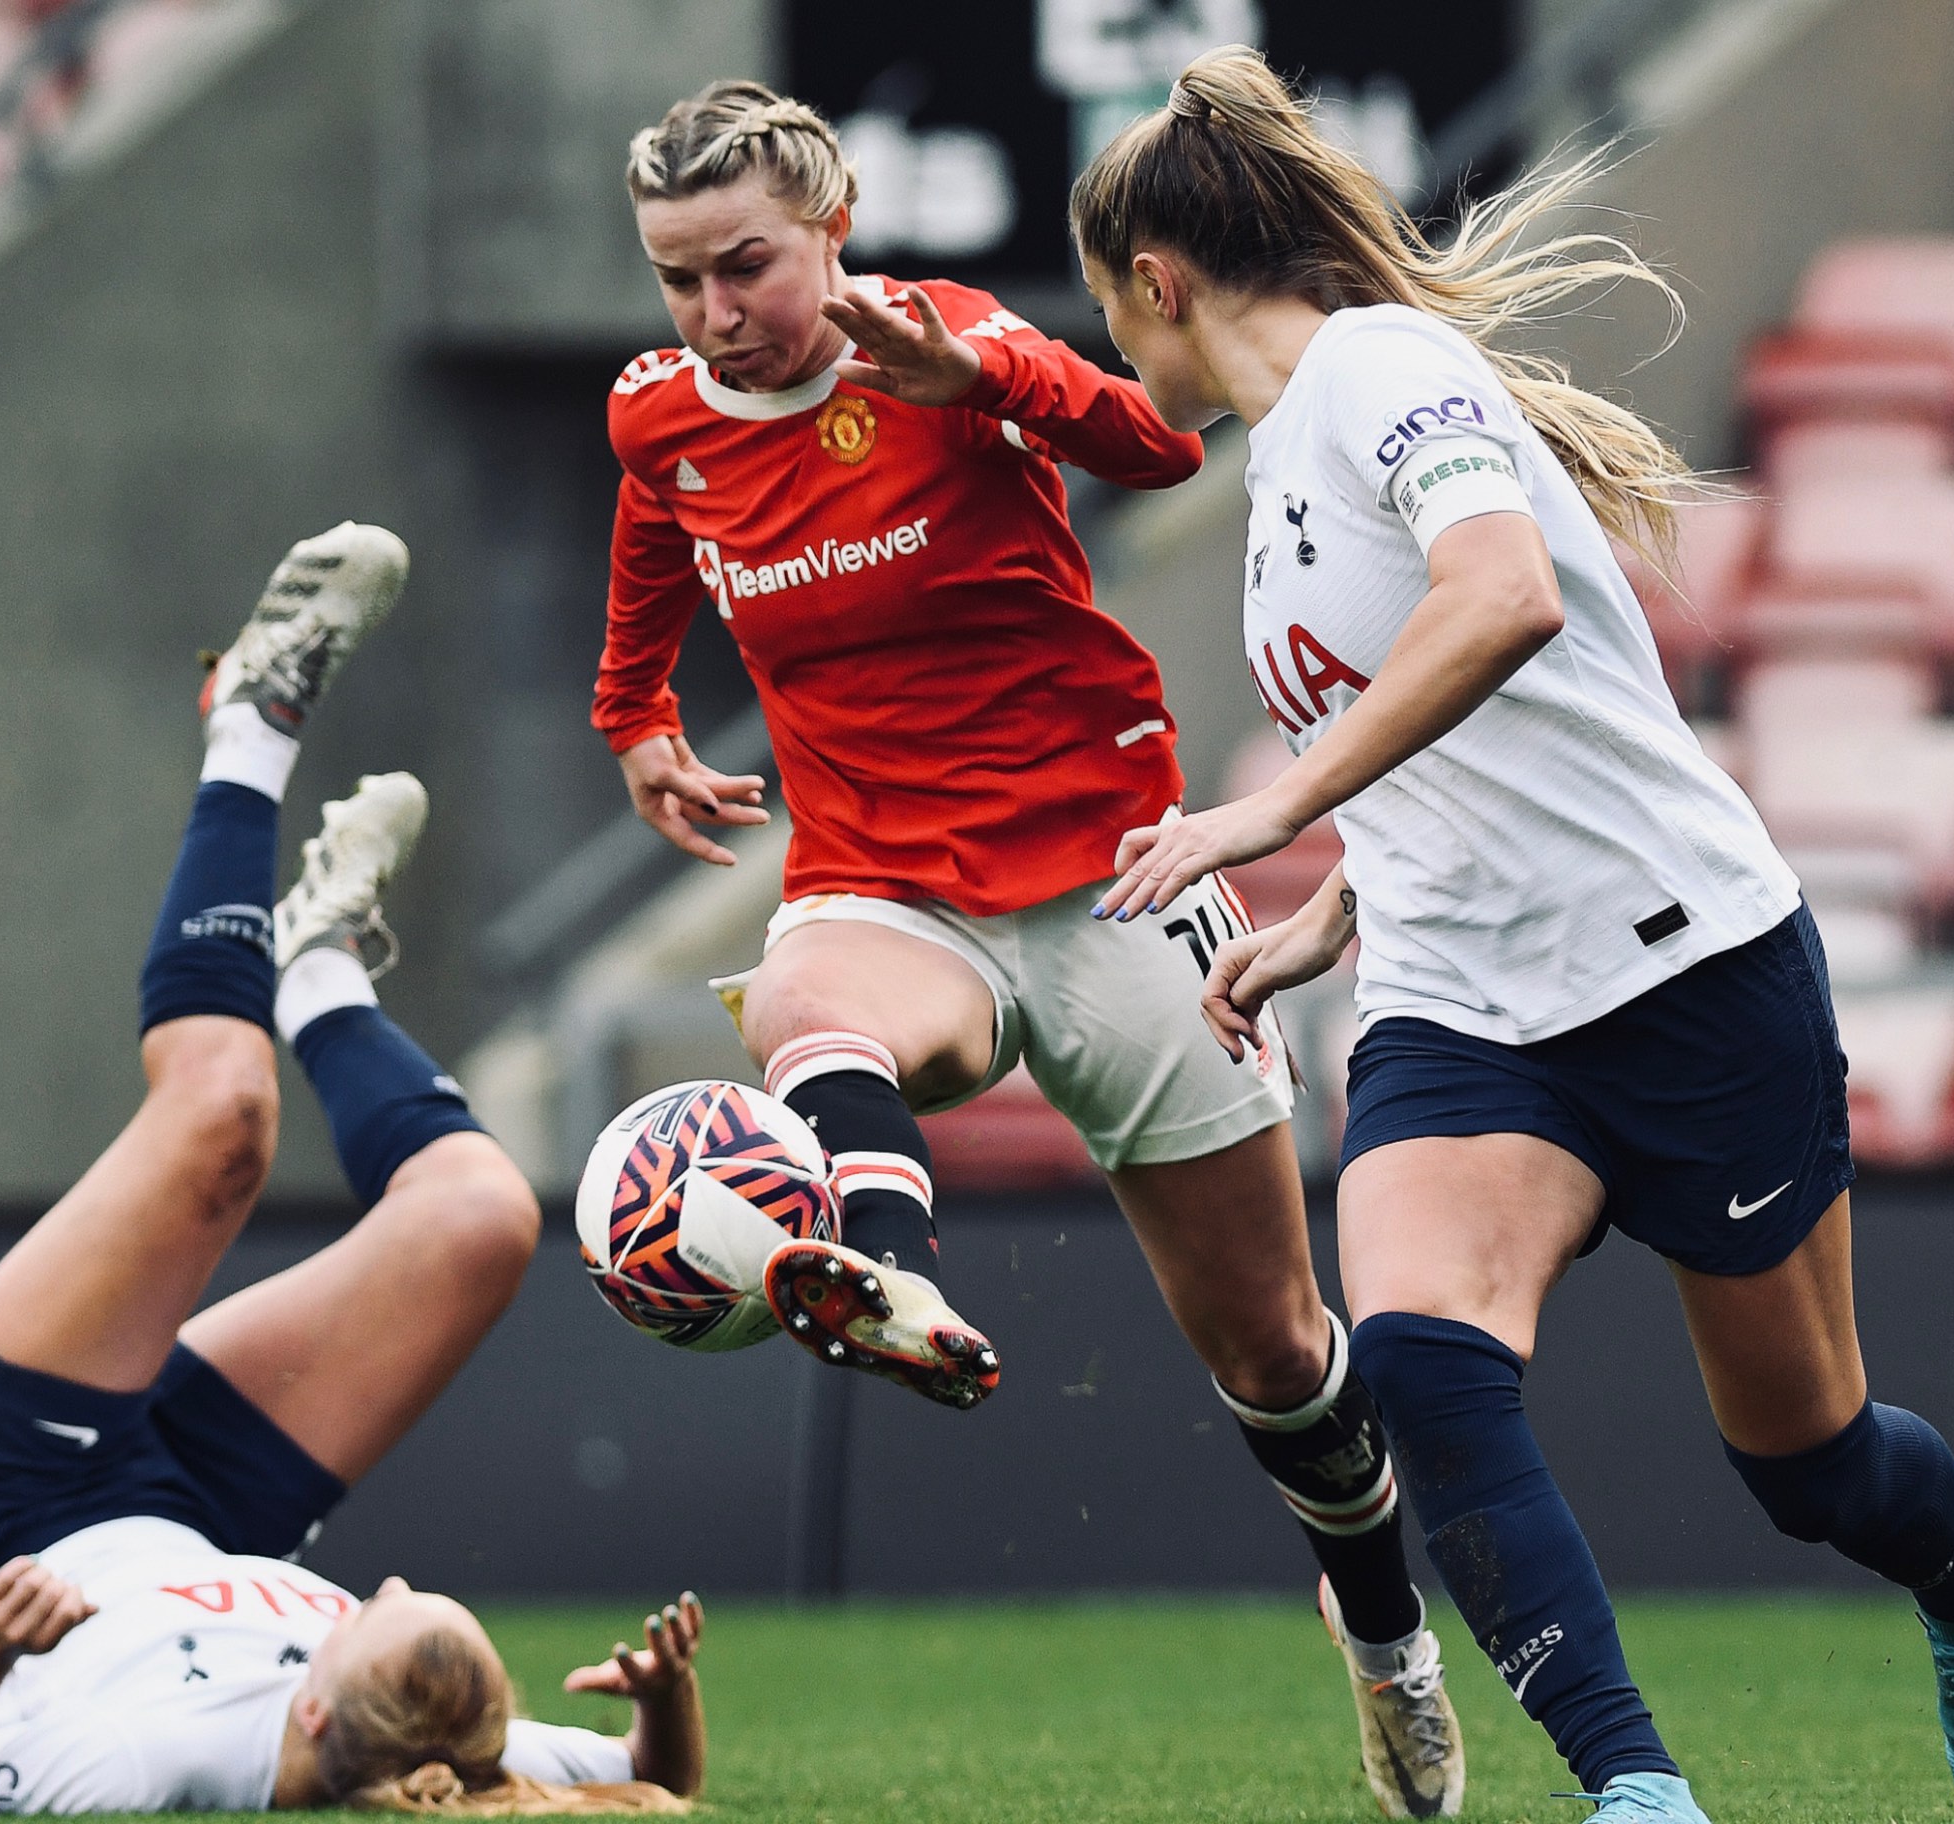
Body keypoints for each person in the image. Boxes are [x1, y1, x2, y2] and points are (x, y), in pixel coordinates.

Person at [1070, 49, 1954, 1824]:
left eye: (1106, 309)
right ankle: (1635, 1794)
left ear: (1154, 281)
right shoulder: (1283, 462)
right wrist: (1331, 912)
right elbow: (1437, 729)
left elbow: (1504, 601)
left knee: (1810, 1462)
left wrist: (1271, 813)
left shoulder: (1383, 367)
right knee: (1424, 1377)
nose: (1114, 346)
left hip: (1682, 962)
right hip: (1459, 1001)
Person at [596, 79, 1463, 1818]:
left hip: (1115, 876)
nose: (713, 315)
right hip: (879, 883)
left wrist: (982, 376)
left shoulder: (955, 344)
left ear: (830, 230)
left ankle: (1386, 1650)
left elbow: (1160, 445)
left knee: (1276, 1355)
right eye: (677, 279)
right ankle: (881, 1269)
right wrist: (634, 720)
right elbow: (653, 557)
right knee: (808, 1004)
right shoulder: (658, 416)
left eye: (745, 267)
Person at [0, 525, 705, 1817]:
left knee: (222, 1122)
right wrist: (661, 1708)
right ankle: (317, 972)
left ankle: (252, 718)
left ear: (311, 1702)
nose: (384, 1589)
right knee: (480, 1219)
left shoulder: (147, 1765)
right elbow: (645, 1785)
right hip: (201, 1512)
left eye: (376, 1611)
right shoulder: (437, 1749)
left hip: (12, 1500)